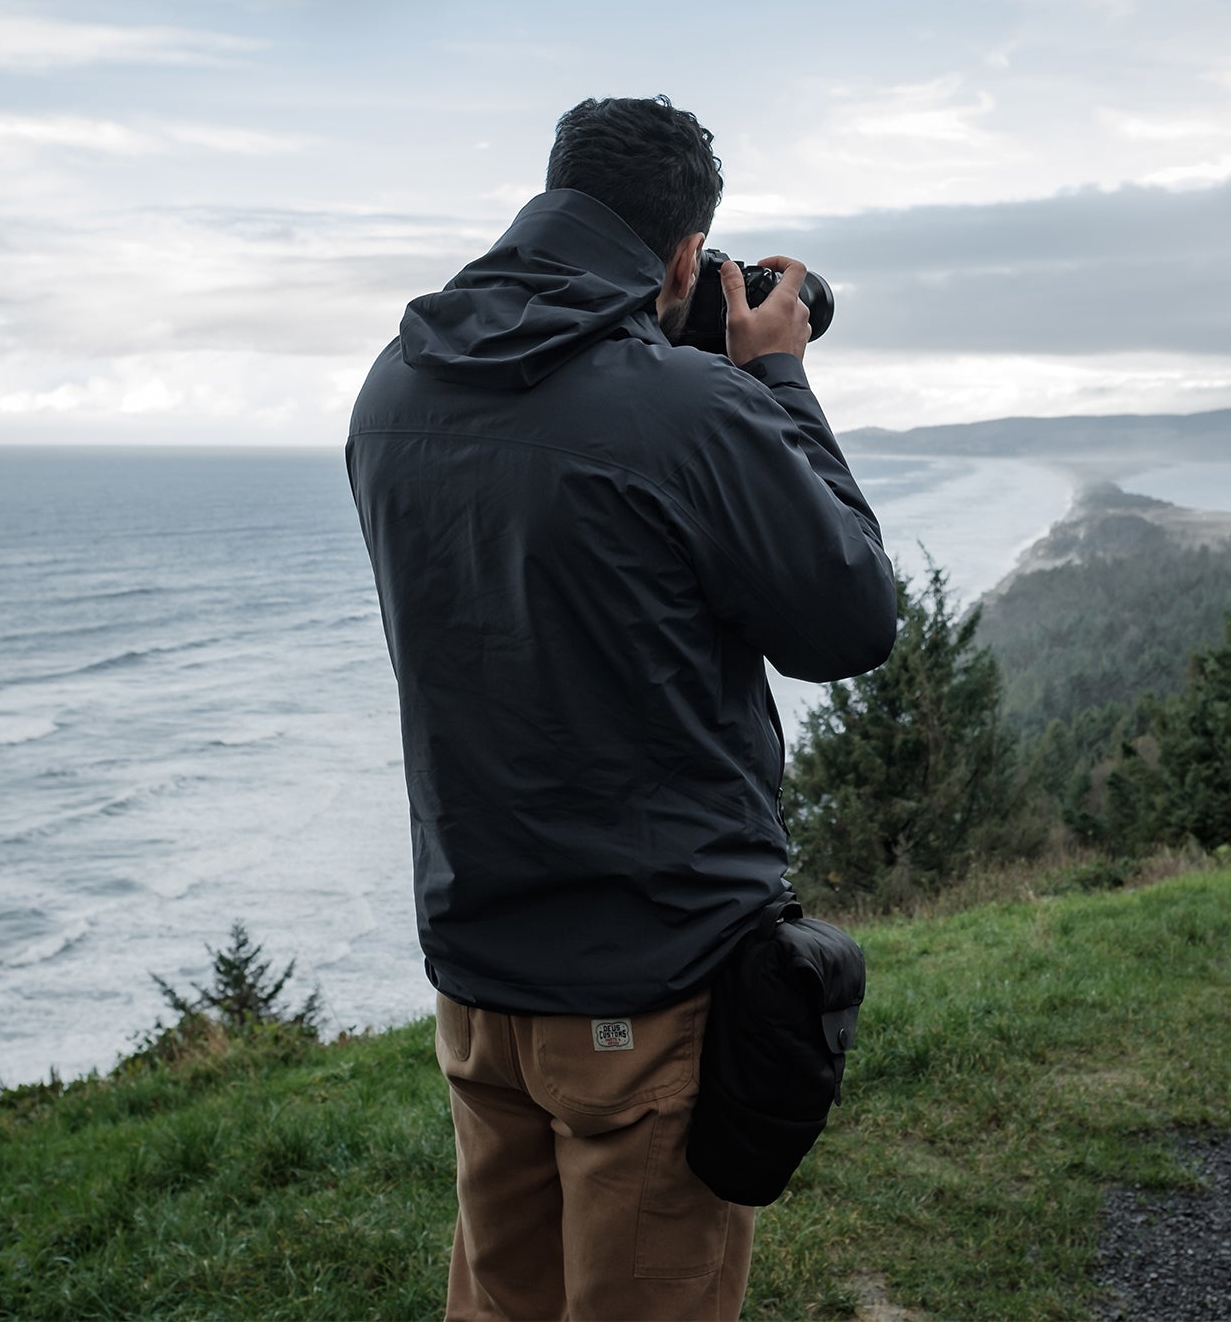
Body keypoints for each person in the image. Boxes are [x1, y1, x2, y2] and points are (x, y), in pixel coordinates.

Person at [347, 96, 896, 1321]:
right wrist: (778, 383)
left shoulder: (396, 385)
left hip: (478, 968)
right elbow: (850, 621)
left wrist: (681, 363)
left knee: (499, 1306)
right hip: (651, 978)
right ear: (687, 255)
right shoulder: (693, 413)